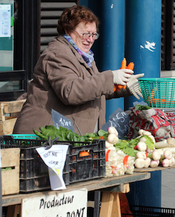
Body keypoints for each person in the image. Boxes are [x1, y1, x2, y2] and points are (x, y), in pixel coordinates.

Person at [13, 5, 143, 135]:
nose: (90, 39)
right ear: (68, 30)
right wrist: (111, 77)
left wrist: (122, 87)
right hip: (42, 137)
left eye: (93, 34)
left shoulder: (84, 56)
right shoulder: (58, 53)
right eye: (85, 34)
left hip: (62, 137)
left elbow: (91, 89)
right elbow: (71, 92)